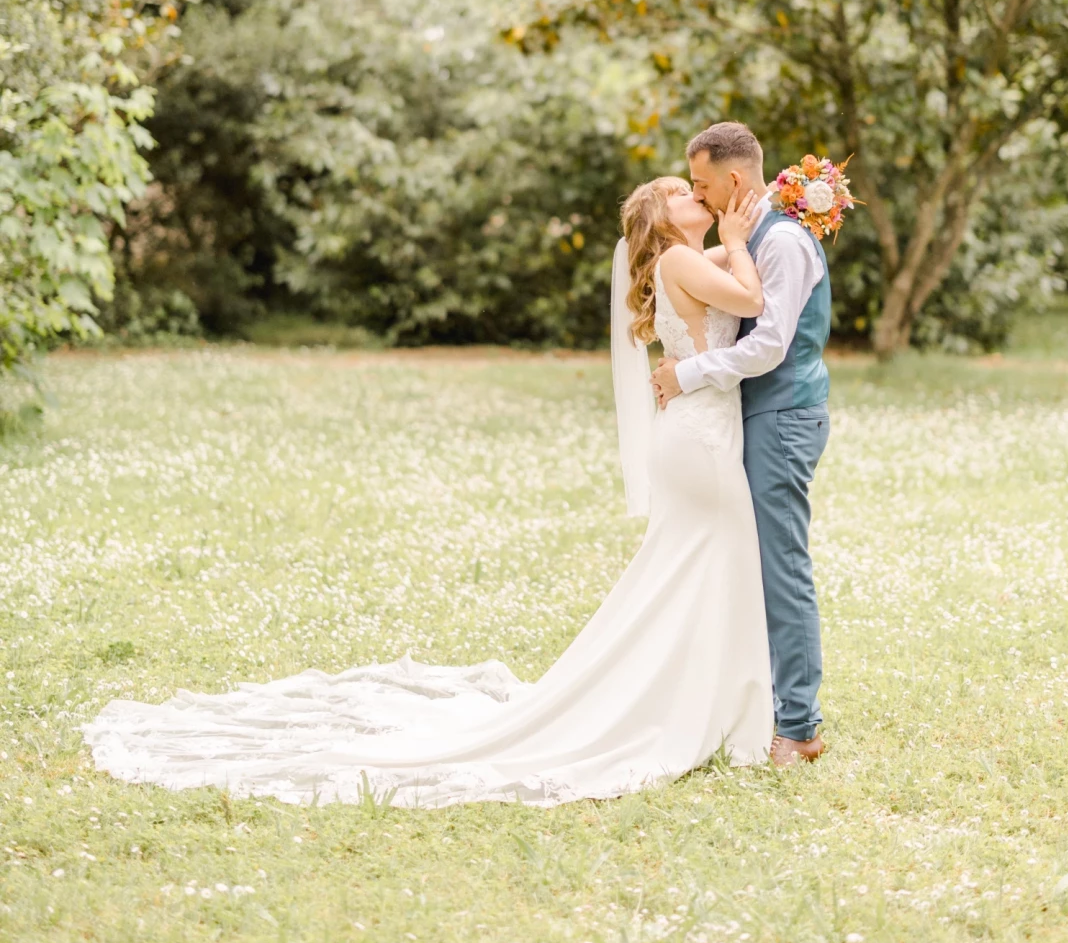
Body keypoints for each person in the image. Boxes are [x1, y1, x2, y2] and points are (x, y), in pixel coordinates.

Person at [83, 177, 778, 807]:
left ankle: (699, 697)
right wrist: (739, 241)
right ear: (663, 218)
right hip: (700, 440)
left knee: (687, 571)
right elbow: (748, 297)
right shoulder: (689, 256)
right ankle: (707, 705)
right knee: (707, 564)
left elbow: (730, 279)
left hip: (693, 433)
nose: (694, 193)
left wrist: (756, 221)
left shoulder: (684, 259)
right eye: (679, 191)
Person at [652, 122, 831, 765]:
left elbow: (769, 344)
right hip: (746, 419)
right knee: (745, 563)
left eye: (700, 183)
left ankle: (801, 728)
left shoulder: (780, 241)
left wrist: (685, 374)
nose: (696, 195)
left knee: (781, 570)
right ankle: (743, 705)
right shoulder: (744, 238)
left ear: (733, 179)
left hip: (782, 417)